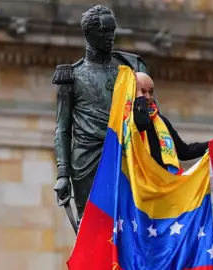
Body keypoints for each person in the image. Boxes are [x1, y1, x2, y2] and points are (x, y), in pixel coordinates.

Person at [52, 5, 147, 225]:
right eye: (104, 31)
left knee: (129, 226)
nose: (110, 37)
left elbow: (151, 118)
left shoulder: (130, 68)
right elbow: (63, 129)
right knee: (94, 228)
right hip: (87, 161)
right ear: (89, 34)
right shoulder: (71, 76)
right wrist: (63, 174)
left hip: (126, 154)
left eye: (112, 31)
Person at [132, 72, 208, 174]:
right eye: (142, 92)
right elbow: (141, 122)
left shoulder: (161, 120)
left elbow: (184, 152)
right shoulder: (126, 120)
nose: (148, 97)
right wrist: (138, 95)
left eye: (151, 92)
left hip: (163, 184)